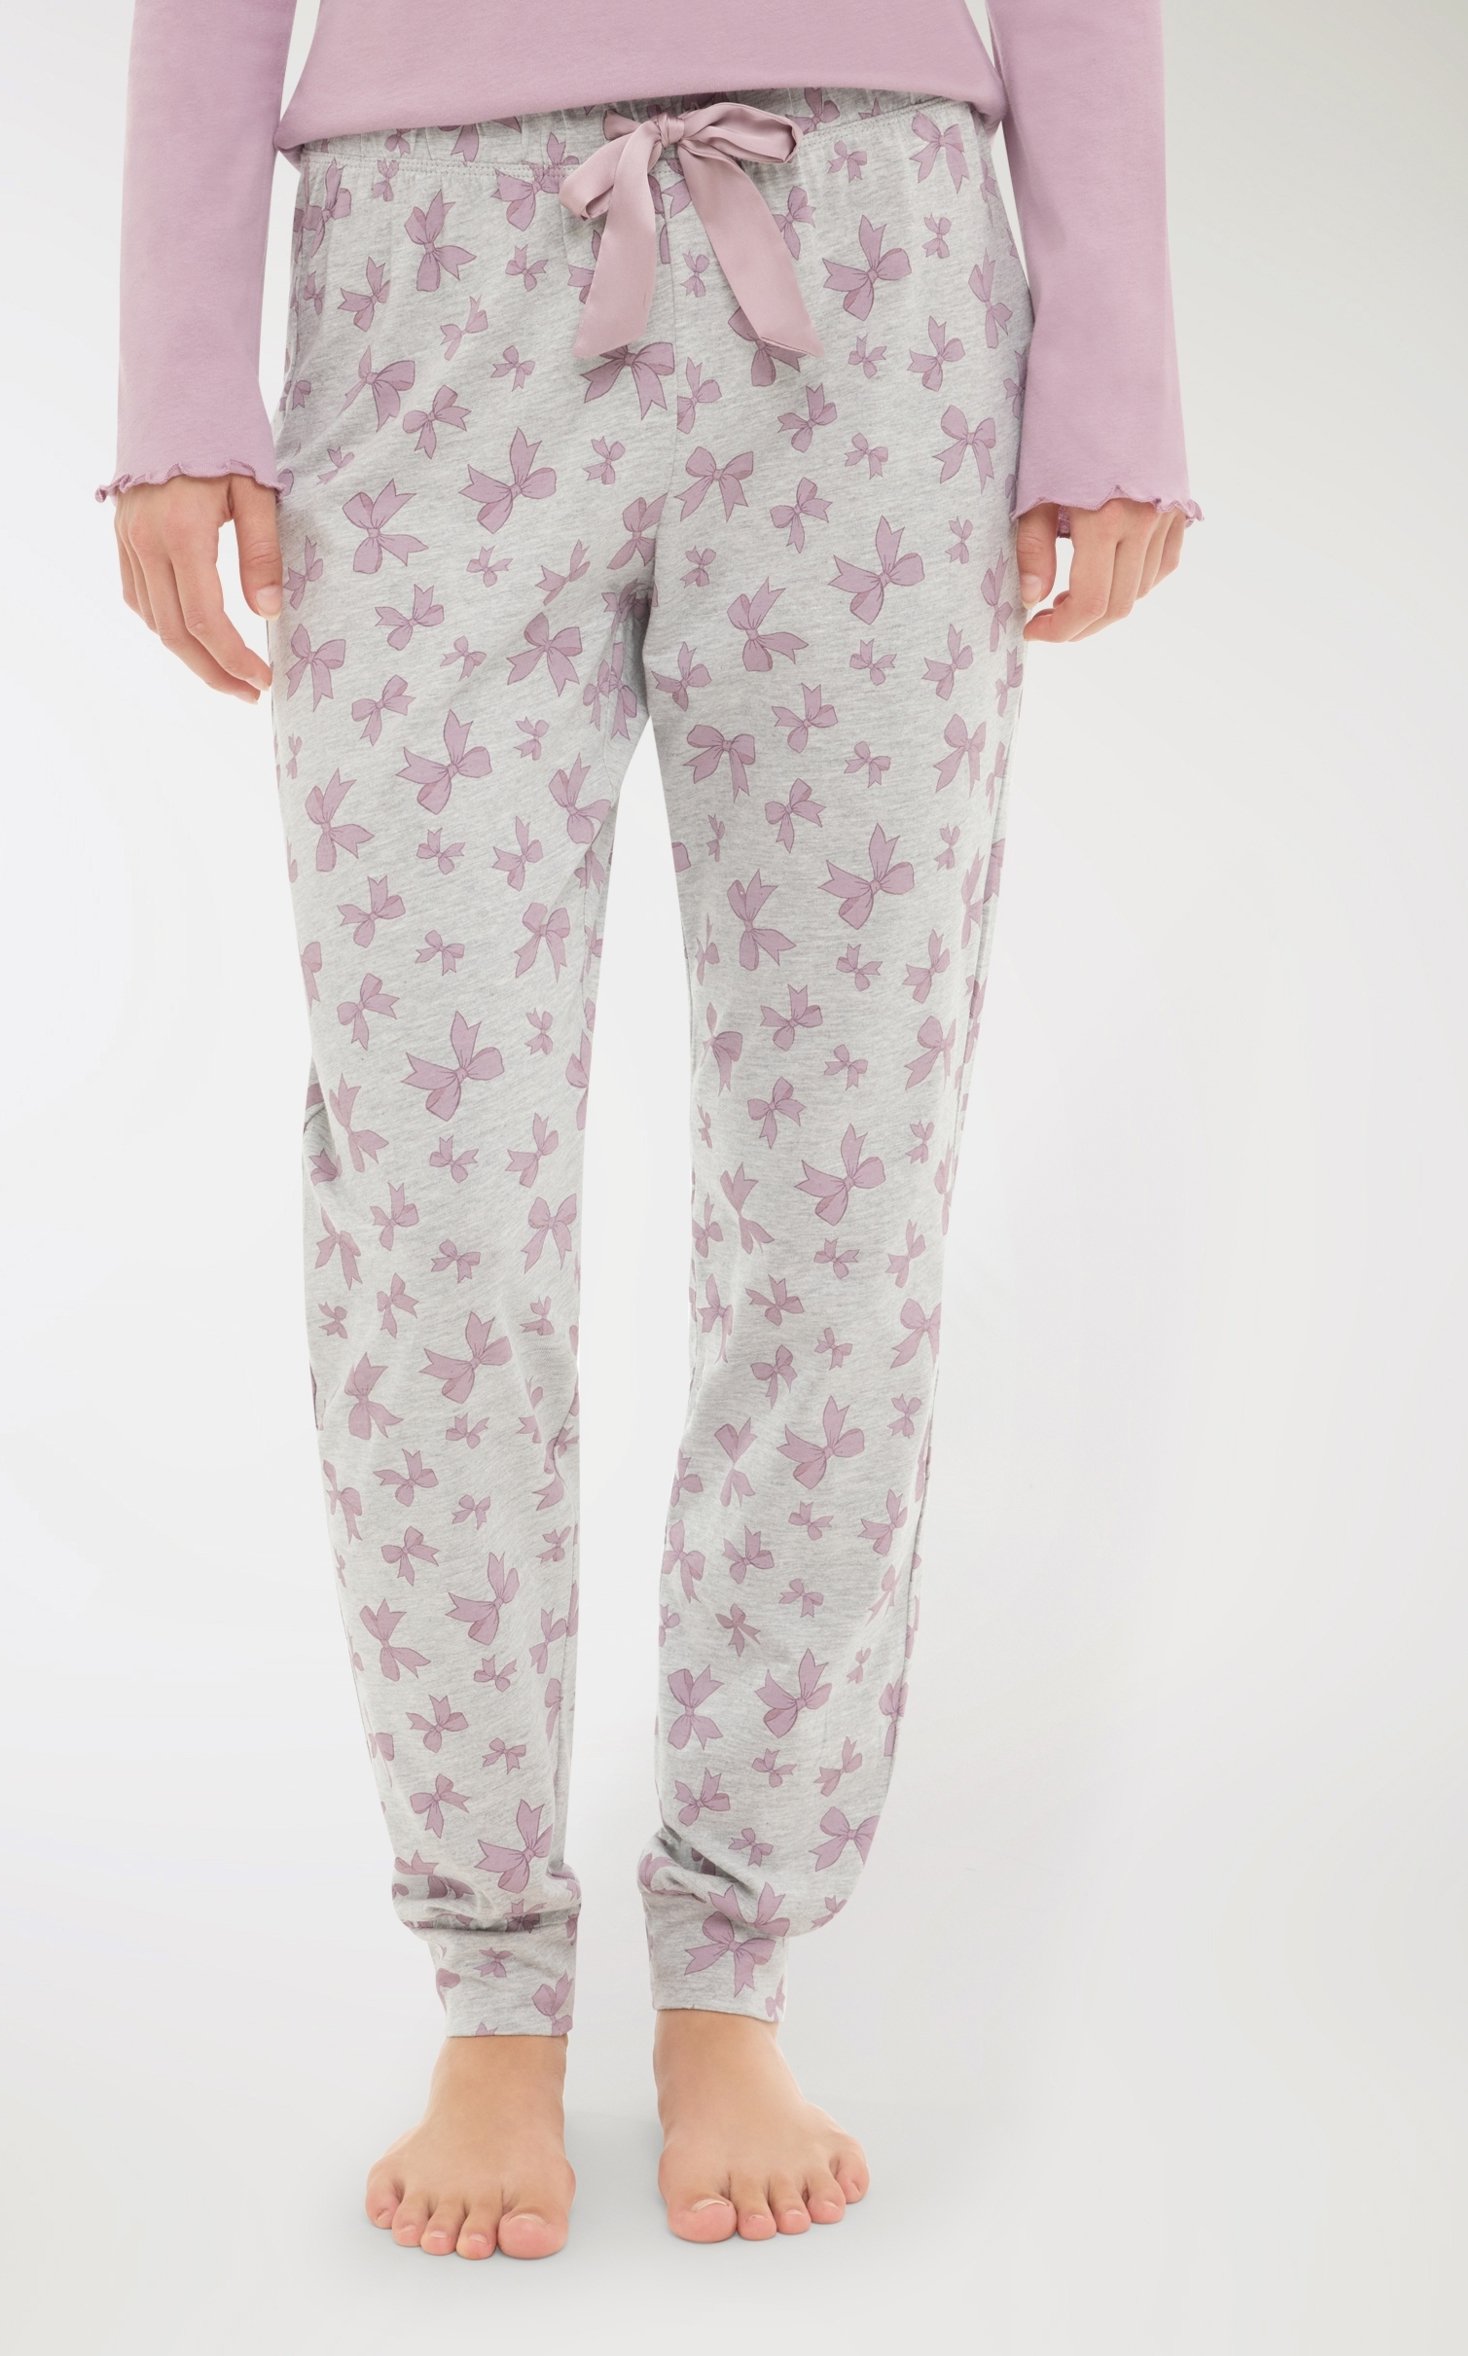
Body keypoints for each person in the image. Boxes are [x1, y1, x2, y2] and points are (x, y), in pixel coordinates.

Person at [103, 0, 1196, 2263]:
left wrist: (1115, 350)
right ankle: (490, 1977)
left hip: (875, 266)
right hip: (426, 281)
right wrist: (177, 368)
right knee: (435, 1217)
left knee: (839, 1203)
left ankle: (732, 1960)